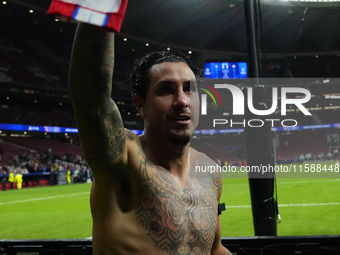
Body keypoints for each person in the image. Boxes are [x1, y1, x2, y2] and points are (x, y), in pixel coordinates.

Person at [69, 23, 230, 255]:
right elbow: (91, 101)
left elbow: (214, 249)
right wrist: (101, 10)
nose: (182, 100)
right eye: (166, 90)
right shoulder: (124, 160)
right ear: (140, 104)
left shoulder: (210, 171)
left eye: (189, 89)